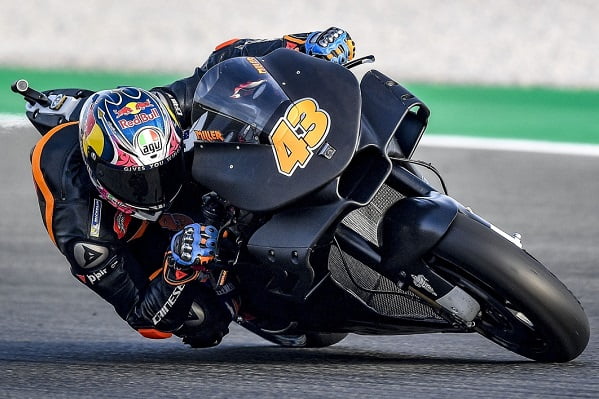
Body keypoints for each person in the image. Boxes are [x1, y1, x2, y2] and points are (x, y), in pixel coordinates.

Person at [30, 28, 355, 347]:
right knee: (202, 321)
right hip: (149, 246)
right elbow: (143, 318)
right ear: (98, 172)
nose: (152, 190)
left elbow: (221, 65)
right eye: (134, 182)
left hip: (188, 176)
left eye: (160, 172)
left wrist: (300, 45)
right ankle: (249, 305)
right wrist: (177, 270)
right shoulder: (79, 221)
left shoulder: (167, 108)